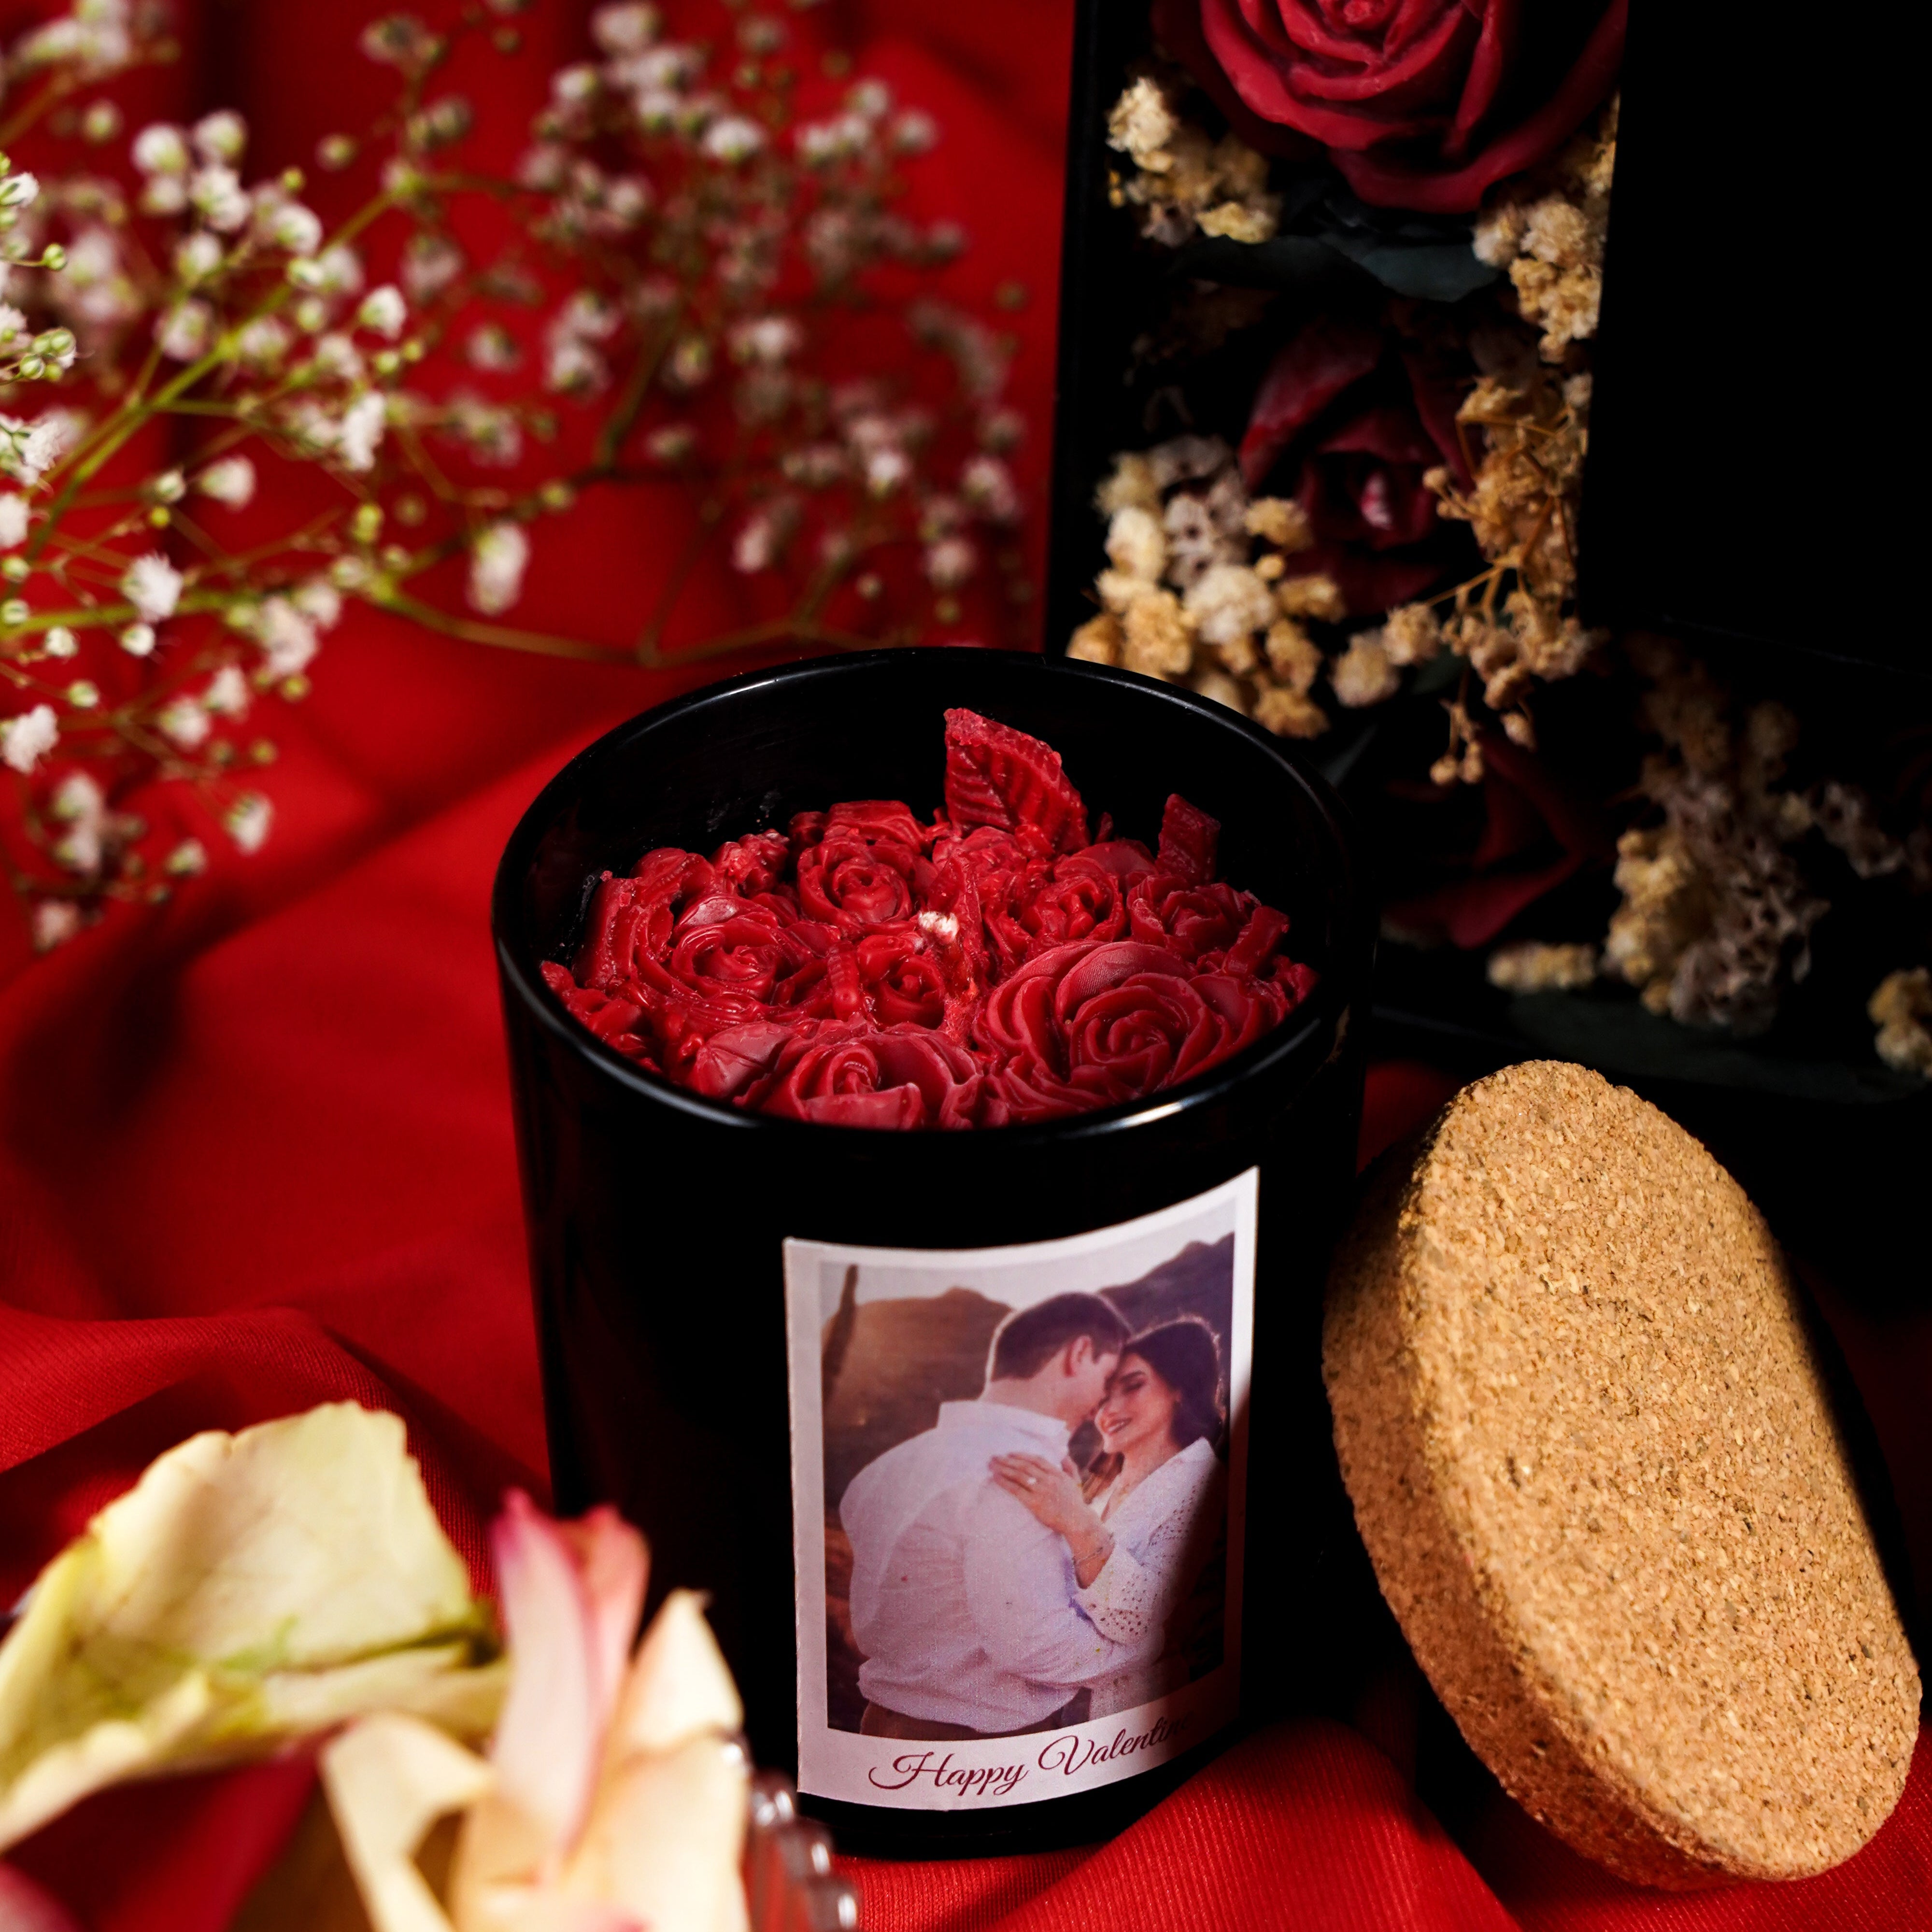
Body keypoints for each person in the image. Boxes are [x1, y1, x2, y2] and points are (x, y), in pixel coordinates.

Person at [839, 1291, 1158, 1739]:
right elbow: (1037, 1647)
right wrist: (1150, 1647)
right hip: (975, 1747)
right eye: (1107, 1377)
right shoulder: (1018, 1474)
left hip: (882, 1726)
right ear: (1079, 1353)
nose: (1105, 1402)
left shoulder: (885, 1467)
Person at [988, 1317, 1227, 1717]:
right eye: (1103, 1398)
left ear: (1181, 1388)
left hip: (1137, 1718)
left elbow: (1140, 1620)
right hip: (1054, 1710)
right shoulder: (1100, 1486)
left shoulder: (1203, 1478)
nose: (1109, 1411)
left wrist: (1075, 1523)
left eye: (1133, 1386)